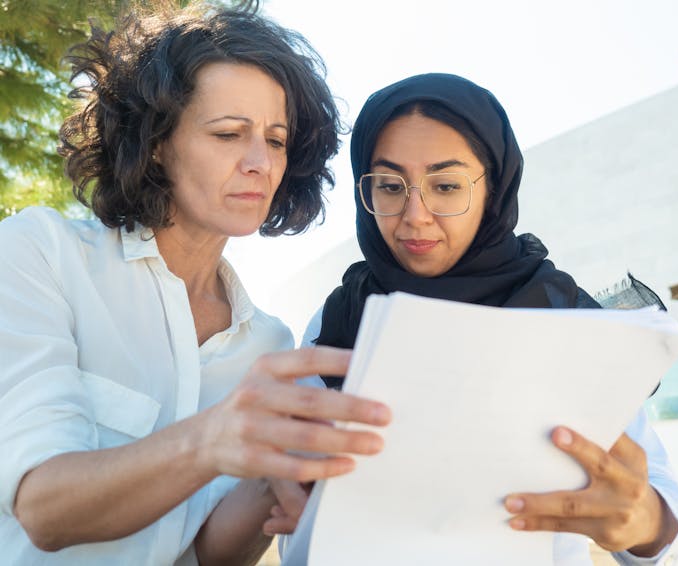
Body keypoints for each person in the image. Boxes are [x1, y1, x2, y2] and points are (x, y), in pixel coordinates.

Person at [0, 3, 393, 564]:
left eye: (277, 140)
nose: (260, 162)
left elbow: (207, 555)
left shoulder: (272, 350)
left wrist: (277, 480)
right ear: (156, 142)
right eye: (229, 133)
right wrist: (214, 440)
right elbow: (43, 509)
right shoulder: (41, 255)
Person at [269, 73, 678, 565]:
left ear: (494, 186)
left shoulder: (565, 319)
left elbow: (673, 523)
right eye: (390, 186)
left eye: (446, 185)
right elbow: (296, 527)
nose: (415, 214)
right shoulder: (338, 320)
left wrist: (644, 520)